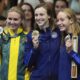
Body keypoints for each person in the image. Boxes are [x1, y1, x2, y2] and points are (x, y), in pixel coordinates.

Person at [24, 3, 61, 80]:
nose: (38, 17)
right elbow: (27, 63)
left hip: (57, 77)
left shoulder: (59, 32)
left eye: (41, 14)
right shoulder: (31, 35)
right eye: (36, 15)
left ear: (49, 16)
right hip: (38, 77)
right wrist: (34, 48)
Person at [0, 6, 27, 80]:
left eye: (15, 19)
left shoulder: (27, 37)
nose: (12, 22)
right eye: (10, 19)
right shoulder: (1, 36)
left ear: (21, 20)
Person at [56, 8, 80, 80]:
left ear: (71, 20)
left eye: (62, 20)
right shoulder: (62, 38)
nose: (59, 23)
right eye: (57, 20)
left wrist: (71, 52)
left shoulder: (78, 38)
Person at [20, 2, 34, 80]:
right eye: (24, 10)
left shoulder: (37, 30)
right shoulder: (17, 31)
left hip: (33, 69)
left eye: (29, 10)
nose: (26, 12)